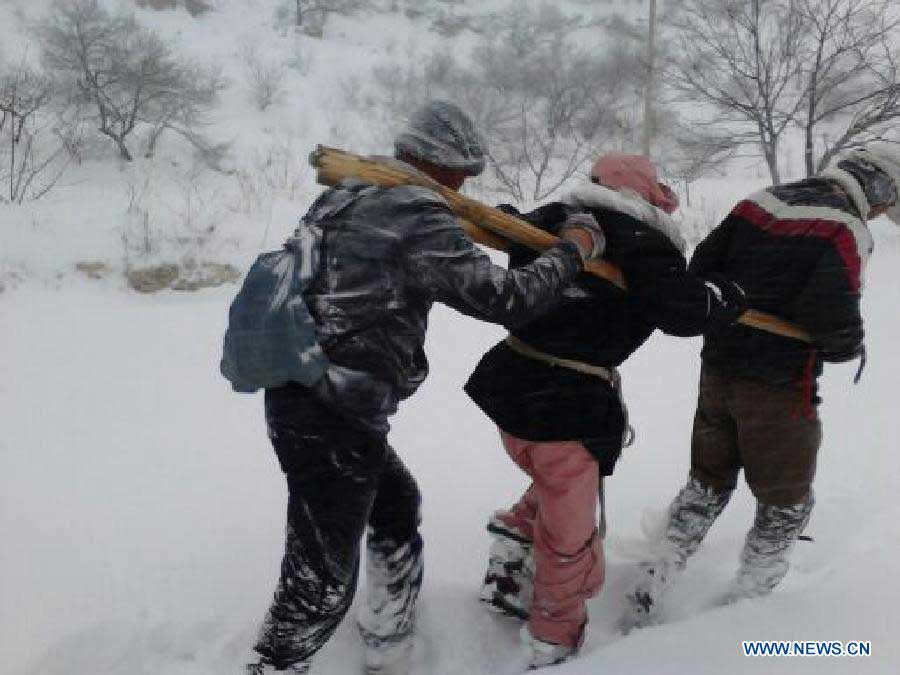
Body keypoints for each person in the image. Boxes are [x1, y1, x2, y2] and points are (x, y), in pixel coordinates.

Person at [245, 101, 606, 675]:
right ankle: (277, 665)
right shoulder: (412, 210)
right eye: (463, 173)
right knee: (320, 576)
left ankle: (388, 645)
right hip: (332, 407)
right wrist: (574, 251)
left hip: (308, 394)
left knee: (395, 506)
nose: (463, 186)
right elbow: (506, 299)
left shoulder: (346, 194)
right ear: (443, 164)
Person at [463, 153, 747, 668]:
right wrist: (731, 296)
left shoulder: (558, 215)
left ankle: (511, 549)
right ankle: (553, 637)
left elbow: (512, 232)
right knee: (570, 538)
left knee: (556, 481)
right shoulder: (641, 240)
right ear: (644, 194)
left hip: (510, 386)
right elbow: (686, 312)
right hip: (563, 407)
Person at [621, 145, 900, 630]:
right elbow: (831, 312)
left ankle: (655, 572)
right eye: (885, 203)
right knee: (785, 500)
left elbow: (702, 266)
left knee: (706, 482)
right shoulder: (845, 226)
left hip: (719, 367)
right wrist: (847, 346)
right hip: (780, 385)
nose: (879, 213)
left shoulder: (763, 199)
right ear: (877, 186)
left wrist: (732, 309)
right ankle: (750, 612)